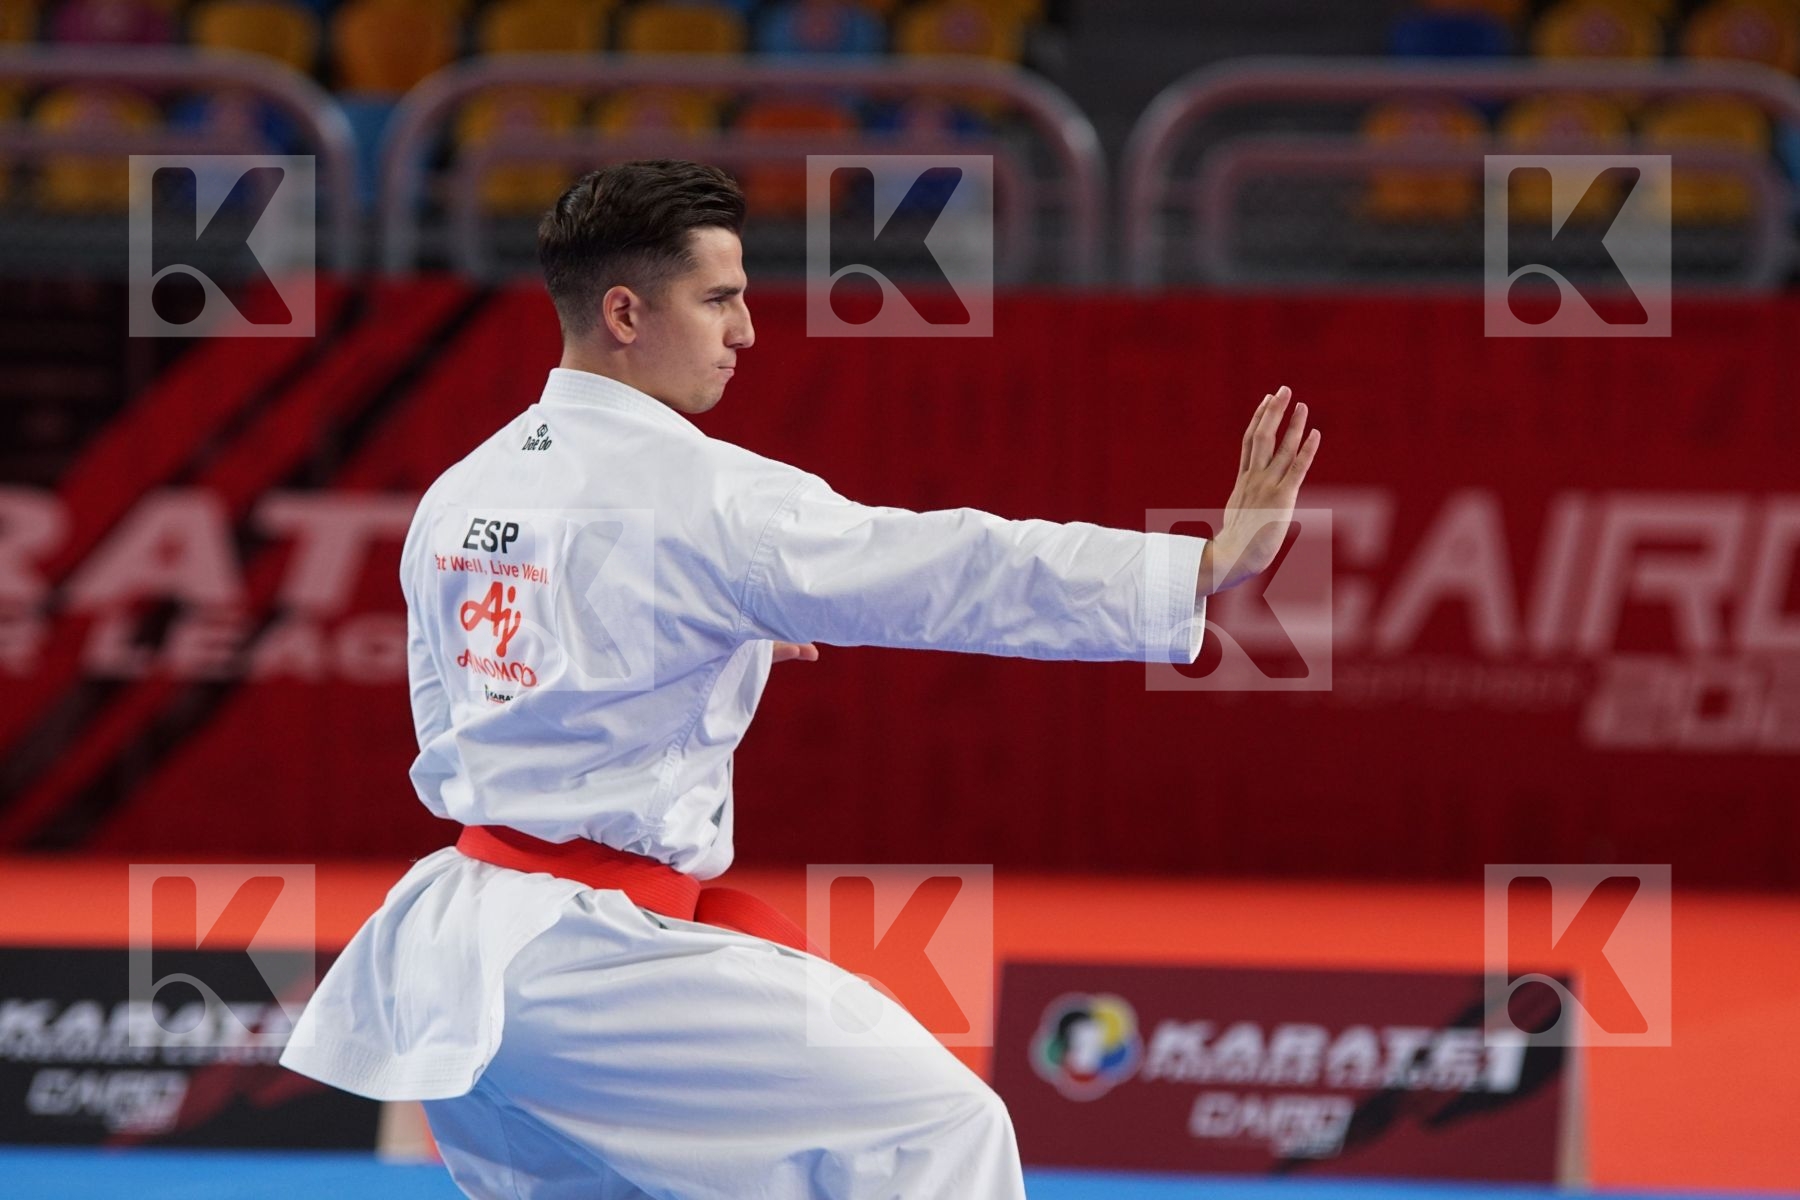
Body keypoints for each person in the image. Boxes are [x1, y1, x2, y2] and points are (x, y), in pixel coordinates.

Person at [279, 159, 1320, 1198]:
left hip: (461, 961)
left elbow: (459, 709)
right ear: (626, 311)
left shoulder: (463, 490)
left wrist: (699, 643)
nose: (746, 334)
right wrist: (1197, 565)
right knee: (940, 1131)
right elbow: (956, 570)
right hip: (590, 963)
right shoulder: (712, 496)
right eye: (720, 300)